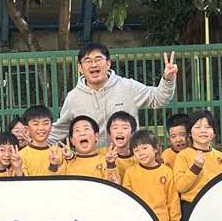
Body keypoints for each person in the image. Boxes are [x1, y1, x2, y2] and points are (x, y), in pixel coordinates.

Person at [50, 44, 179, 146]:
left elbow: (158, 99)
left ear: (108, 63)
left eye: (98, 59)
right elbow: (61, 129)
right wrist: (37, 141)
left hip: (128, 158)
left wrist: (168, 79)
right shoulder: (73, 97)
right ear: (80, 68)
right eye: (87, 61)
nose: (93, 64)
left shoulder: (128, 86)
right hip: (93, 161)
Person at [62, 115, 119, 182]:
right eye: (77, 130)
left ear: (96, 136)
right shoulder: (67, 161)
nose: (82, 133)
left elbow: (114, 184)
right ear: (72, 141)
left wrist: (110, 164)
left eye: (86, 129)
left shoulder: (105, 161)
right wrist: (55, 165)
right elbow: (57, 182)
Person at [18, 105, 64, 176]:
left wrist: (54, 166)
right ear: (27, 129)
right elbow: (22, 181)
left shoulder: (60, 153)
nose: (41, 128)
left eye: (46, 123)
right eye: (35, 124)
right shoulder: (21, 155)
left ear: (51, 127)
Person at [102, 111, 137, 180]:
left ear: (132, 133)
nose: (119, 131)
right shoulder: (101, 154)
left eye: (125, 128)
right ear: (109, 134)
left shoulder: (138, 156)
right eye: (115, 128)